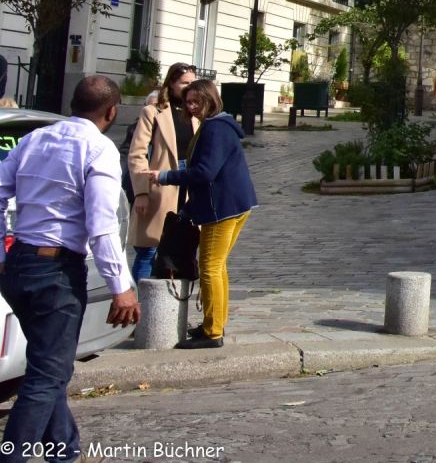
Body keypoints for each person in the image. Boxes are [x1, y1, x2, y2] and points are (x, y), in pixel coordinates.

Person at [0, 75, 140, 462]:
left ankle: (64, 451)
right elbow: (102, 224)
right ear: (111, 112)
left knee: (49, 365)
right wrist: (120, 286)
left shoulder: (34, 139)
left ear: (73, 104)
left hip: (20, 265)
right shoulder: (99, 149)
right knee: (47, 374)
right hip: (57, 273)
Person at [142, 79, 257, 349]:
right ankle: (215, 323)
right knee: (217, 266)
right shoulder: (218, 124)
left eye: (197, 101)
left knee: (210, 266)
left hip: (223, 207)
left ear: (211, 99)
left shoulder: (215, 128)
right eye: (188, 102)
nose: (192, 107)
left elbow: (205, 172)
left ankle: (213, 331)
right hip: (234, 203)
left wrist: (165, 176)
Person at [127, 62, 198, 281]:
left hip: (188, 183)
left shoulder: (196, 113)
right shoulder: (153, 111)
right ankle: (142, 305)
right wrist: (141, 192)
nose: (189, 87)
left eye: (193, 83)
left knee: (181, 246)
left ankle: (169, 306)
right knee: (149, 249)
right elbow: (137, 153)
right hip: (160, 183)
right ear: (172, 83)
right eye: (184, 83)